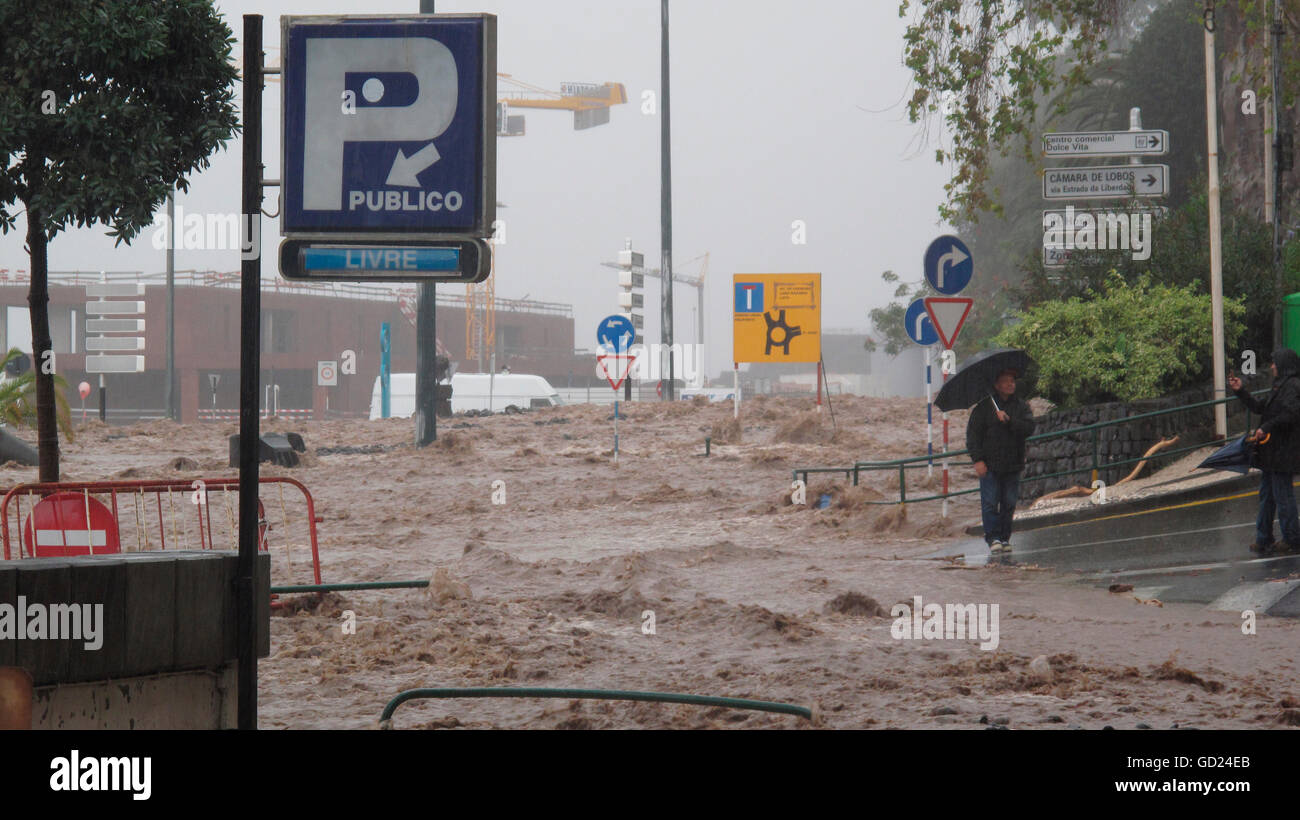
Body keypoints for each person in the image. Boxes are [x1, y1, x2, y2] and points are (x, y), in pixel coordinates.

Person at [1228, 347, 1300, 554]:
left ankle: (1292, 538)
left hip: (1283, 452)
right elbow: (1261, 408)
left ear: (1284, 365)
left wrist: (1265, 428)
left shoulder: (1293, 387)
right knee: (1267, 495)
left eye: (1275, 362)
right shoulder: (1280, 386)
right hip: (1271, 452)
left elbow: (1292, 414)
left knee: (1282, 495)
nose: (1272, 366)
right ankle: (1264, 538)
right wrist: (1240, 391)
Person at [966, 367, 1035, 554]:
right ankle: (993, 538)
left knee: (1009, 502)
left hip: (1013, 463)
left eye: (1012, 380)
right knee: (990, 502)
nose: (1010, 384)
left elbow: (1029, 428)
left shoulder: (1021, 406)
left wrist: (1009, 420)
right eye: (1005, 381)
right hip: (989, 465)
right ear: (997, 385)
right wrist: (977, 460)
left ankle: (1005, 538)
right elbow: (973, 437)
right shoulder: (983, 409)